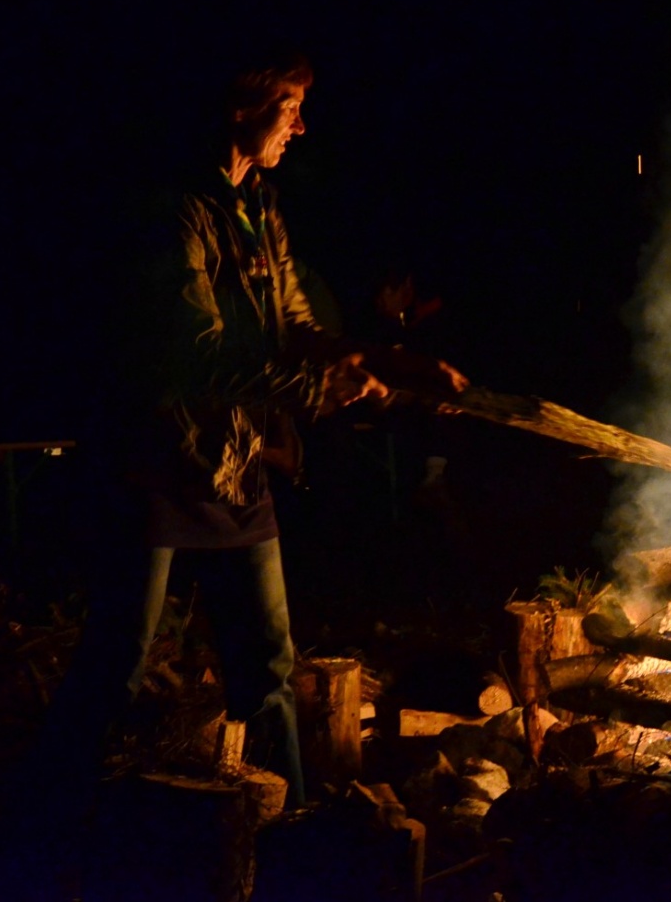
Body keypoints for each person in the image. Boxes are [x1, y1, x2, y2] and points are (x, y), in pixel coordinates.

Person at [36, 53, 467, 823]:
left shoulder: (260, 206)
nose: (301, 124)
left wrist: (386, 359)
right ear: (242, 109)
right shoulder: (172, 211)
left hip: (235, 462)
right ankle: (55, 819)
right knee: (120, 661)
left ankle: (284, 829)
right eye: (290, 106)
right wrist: (318, 390)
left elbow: (293, 324)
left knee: (268, 663)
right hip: (161, 458)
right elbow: (197, 351)